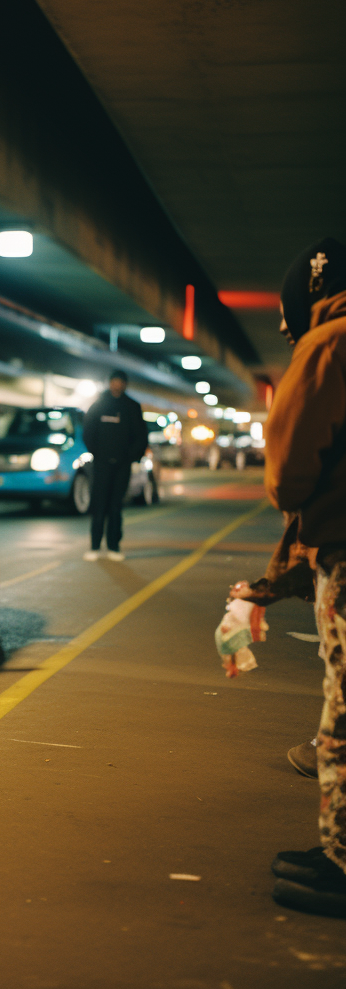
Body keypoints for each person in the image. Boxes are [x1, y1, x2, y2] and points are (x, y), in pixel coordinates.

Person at [229, 236, 346, 918]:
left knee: (344, 718)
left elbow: (291, 472)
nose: (284, 327)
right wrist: (276, 583)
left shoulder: (329, 343)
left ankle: (341, 860)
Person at [81, 369, 148, 561]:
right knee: (98, 504)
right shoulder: (98, 405)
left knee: (116, 506)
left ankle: (113, 546)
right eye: (114, 382)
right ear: (109, 383)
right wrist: (97, 453)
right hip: (101, 464)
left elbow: (141, 436)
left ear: (125, 385)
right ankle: (94, 546)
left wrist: (131, 457)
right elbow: (88, 431)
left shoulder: (132, 407)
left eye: (120, 382)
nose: (117, 385)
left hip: (122, 465)